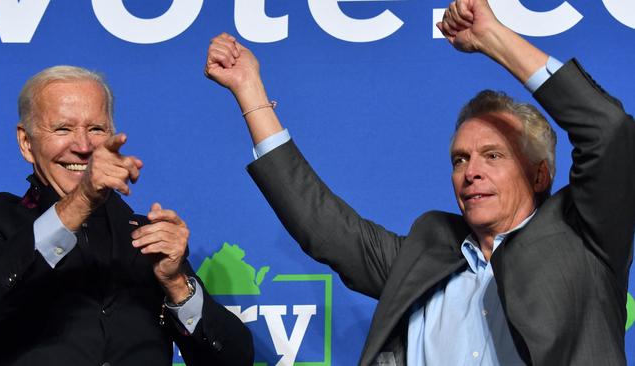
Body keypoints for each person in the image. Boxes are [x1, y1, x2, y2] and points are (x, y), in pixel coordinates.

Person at [205, 0, 635, 364]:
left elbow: (608, 130)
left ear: (539, 174)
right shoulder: (427, 251)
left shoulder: (584, 238)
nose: (472, 172)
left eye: (493, 155)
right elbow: (322, 224)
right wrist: (250, 91)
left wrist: (493, 38)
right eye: (460, 159)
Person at [0, 65, 253, 365]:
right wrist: (83, 198)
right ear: (26, 142)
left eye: (96, 129)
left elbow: (234, 361)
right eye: (63, 128)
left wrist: (176, 283)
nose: (83, 146)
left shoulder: (144, 238)